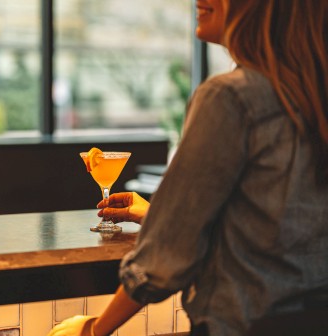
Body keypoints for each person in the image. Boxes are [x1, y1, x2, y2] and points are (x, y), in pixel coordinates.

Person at [48, 0, 328, 335]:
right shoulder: (312, 95)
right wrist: (163, 216)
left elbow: (162, 263)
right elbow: (278, 231)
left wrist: (92, 330)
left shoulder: (230, 97)